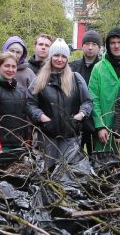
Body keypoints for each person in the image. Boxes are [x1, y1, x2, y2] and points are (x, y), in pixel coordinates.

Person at [28, 39, 93, 168]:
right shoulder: (39, 80)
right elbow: (30, 103)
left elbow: (88, 102)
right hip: (47, 137)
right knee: (47, 172)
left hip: (70, 137)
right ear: (51, 57)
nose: (59, 59)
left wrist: (81, 115)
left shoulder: (76, 78)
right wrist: (41, 116)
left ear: (67, 59)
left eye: (63, 56)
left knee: (68, 172)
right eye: (56, 55)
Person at [89, 27, 120, 156]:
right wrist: (100, 126)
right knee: (105, 165)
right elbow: (93, 98)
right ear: (107, 45)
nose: (116, 46)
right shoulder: (98, 68)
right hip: (105, 132)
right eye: (112, 43)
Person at [0, 51, 33, 162]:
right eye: (7, 66)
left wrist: (26, 143)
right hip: (2, 147)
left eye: (13, 66)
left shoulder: (20, 90)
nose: (10, 69)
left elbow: (24, 118)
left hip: (20, 145)